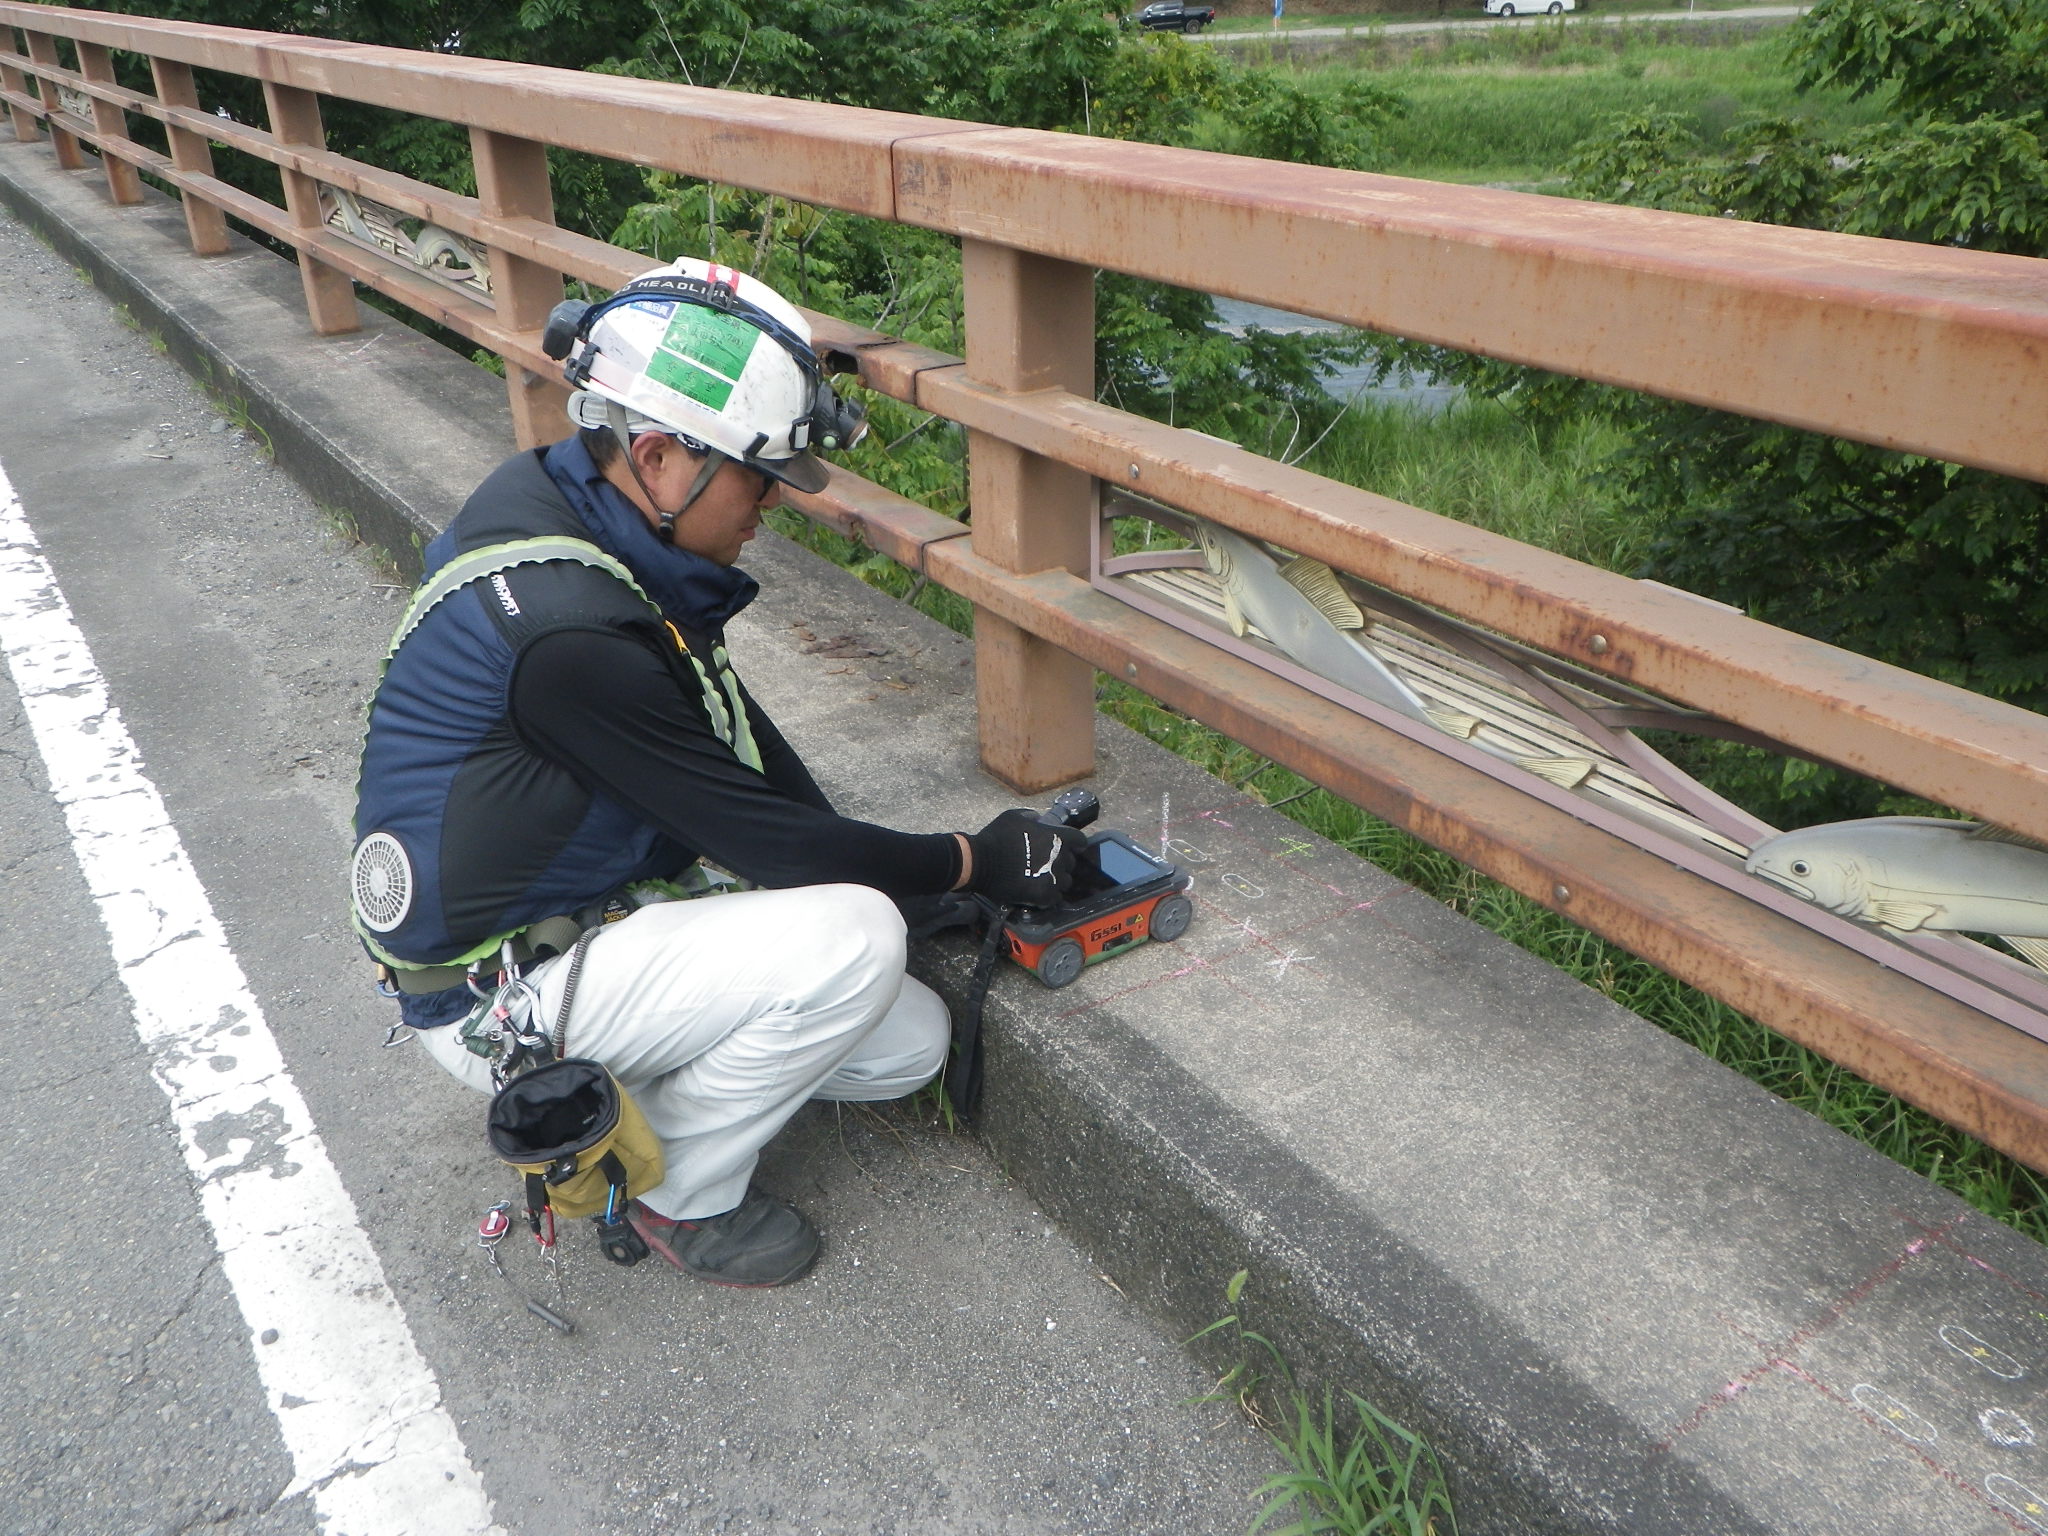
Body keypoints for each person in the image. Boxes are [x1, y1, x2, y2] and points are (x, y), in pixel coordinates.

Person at [349, 259, 1077, 1287]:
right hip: (496, 993)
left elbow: (738, 748)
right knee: (854, 941)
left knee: (906, 1040)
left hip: (571, 927)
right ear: (656, 456)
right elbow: (762, 836)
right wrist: (970, 861)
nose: (770, 506)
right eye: (758, 477)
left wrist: (915, 887)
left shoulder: (565, 506)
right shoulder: (570, 636)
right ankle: (670, 1191)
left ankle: (646, 1104)